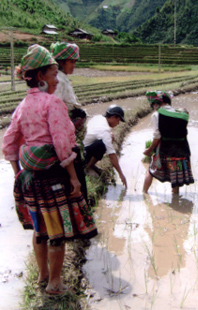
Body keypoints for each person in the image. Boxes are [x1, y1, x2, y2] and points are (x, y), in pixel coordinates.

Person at [2, 44, 97, 295]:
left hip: (30, 179)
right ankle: (55, 284)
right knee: (56, 231)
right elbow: (63, 144)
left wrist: (18, 173)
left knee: (39, 229)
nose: (57, 80)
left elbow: (9, 143)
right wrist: (74, 179)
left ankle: (42, 276)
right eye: (54, 75)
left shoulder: (22, 106)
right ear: (41, 77)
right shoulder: (53, 104)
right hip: (53, 176)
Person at [143, 91, 194, 194]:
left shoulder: (157, 114)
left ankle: (144, 193)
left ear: (156, 103)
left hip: (165, 149)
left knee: (151, 171)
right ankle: (175, 198)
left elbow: (157, 136)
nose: (154, 107)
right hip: (182, 150)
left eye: (153, 104)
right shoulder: (180, 114)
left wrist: (150, 149)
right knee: (175, 178)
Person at [51, 42, 87, 148]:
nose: (74, 65)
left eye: (75, 62)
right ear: (61, 63)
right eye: (71, 62)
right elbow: (55, 107)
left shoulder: (63, 77)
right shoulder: (59, 80)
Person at [83, 104, 128, 188]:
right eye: (118, 120)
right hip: (83, 154)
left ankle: (90, 164)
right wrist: (121, 174)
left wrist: (109, 134)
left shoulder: (99, 117)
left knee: (104, 141)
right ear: (113, 117)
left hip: (82, 148)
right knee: (102, 145)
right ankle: (88, 168)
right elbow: (112, 155)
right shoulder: (104, 131)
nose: (118, 124)